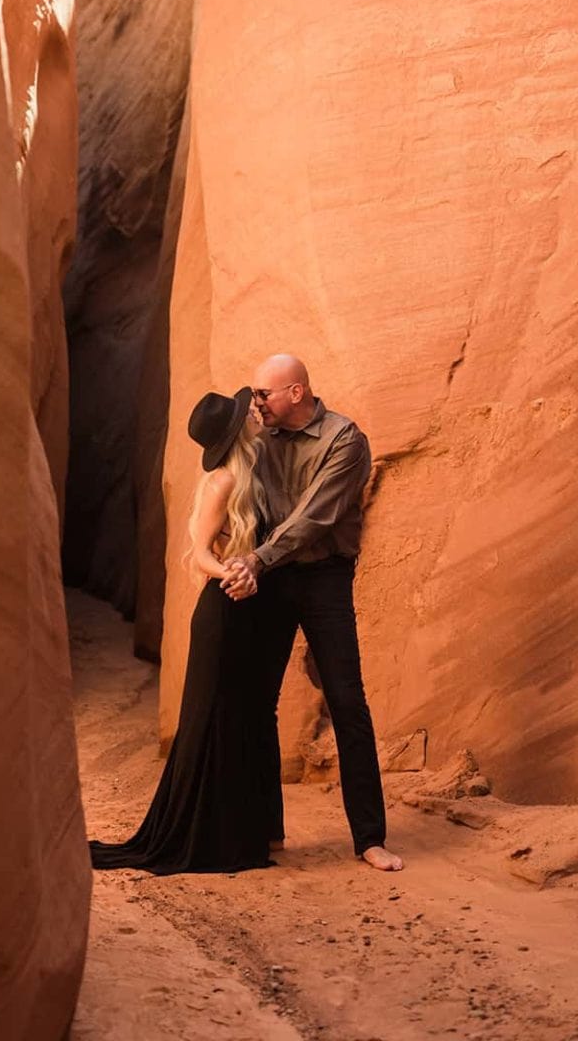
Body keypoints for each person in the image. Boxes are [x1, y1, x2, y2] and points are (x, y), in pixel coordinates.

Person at [221, 354, 404, 873]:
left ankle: (370, 838)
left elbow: (314, 516)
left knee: (348, 701)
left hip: (323, 578)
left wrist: (255, 559)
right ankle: (268, 831)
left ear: (296, 393)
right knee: (259, 702)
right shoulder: (260, 437)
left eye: (264, 394)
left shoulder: (345, 440)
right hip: (270, 579)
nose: (255, 404)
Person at [89, 387, 279, 875]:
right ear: (237, 431)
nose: (257, 410)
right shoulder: (222, 482)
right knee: (210, 719)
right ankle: (200, 838)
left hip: (250, 611)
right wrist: (235, 573)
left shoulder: (257, 470)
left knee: (242, 718)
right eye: (248, 412)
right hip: (224, 610)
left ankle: (241, 833)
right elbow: (200, 555)